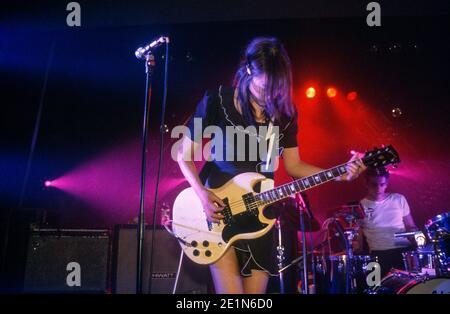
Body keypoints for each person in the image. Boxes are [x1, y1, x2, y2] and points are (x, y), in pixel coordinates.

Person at [176, 37, 364, 294]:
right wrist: (202, 194)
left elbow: (294, 166)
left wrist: (339, 174)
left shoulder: (285, 115)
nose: (270, 95)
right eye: (265, 88)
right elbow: (183, 155)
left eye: (277, 88)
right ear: (250, 70)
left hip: (260, 215)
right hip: (219, 211)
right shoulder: (217, 100)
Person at [358, 167, 418, 277]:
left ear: (387, 183)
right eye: (374, 185)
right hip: (377, 254)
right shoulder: (360, 206)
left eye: (382, 184)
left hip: (403, 252)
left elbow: (410, 226)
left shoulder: (399, 199)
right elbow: (359, 238)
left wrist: (418, 240)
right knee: (376, 288)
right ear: (366, 184)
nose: (378, 188)